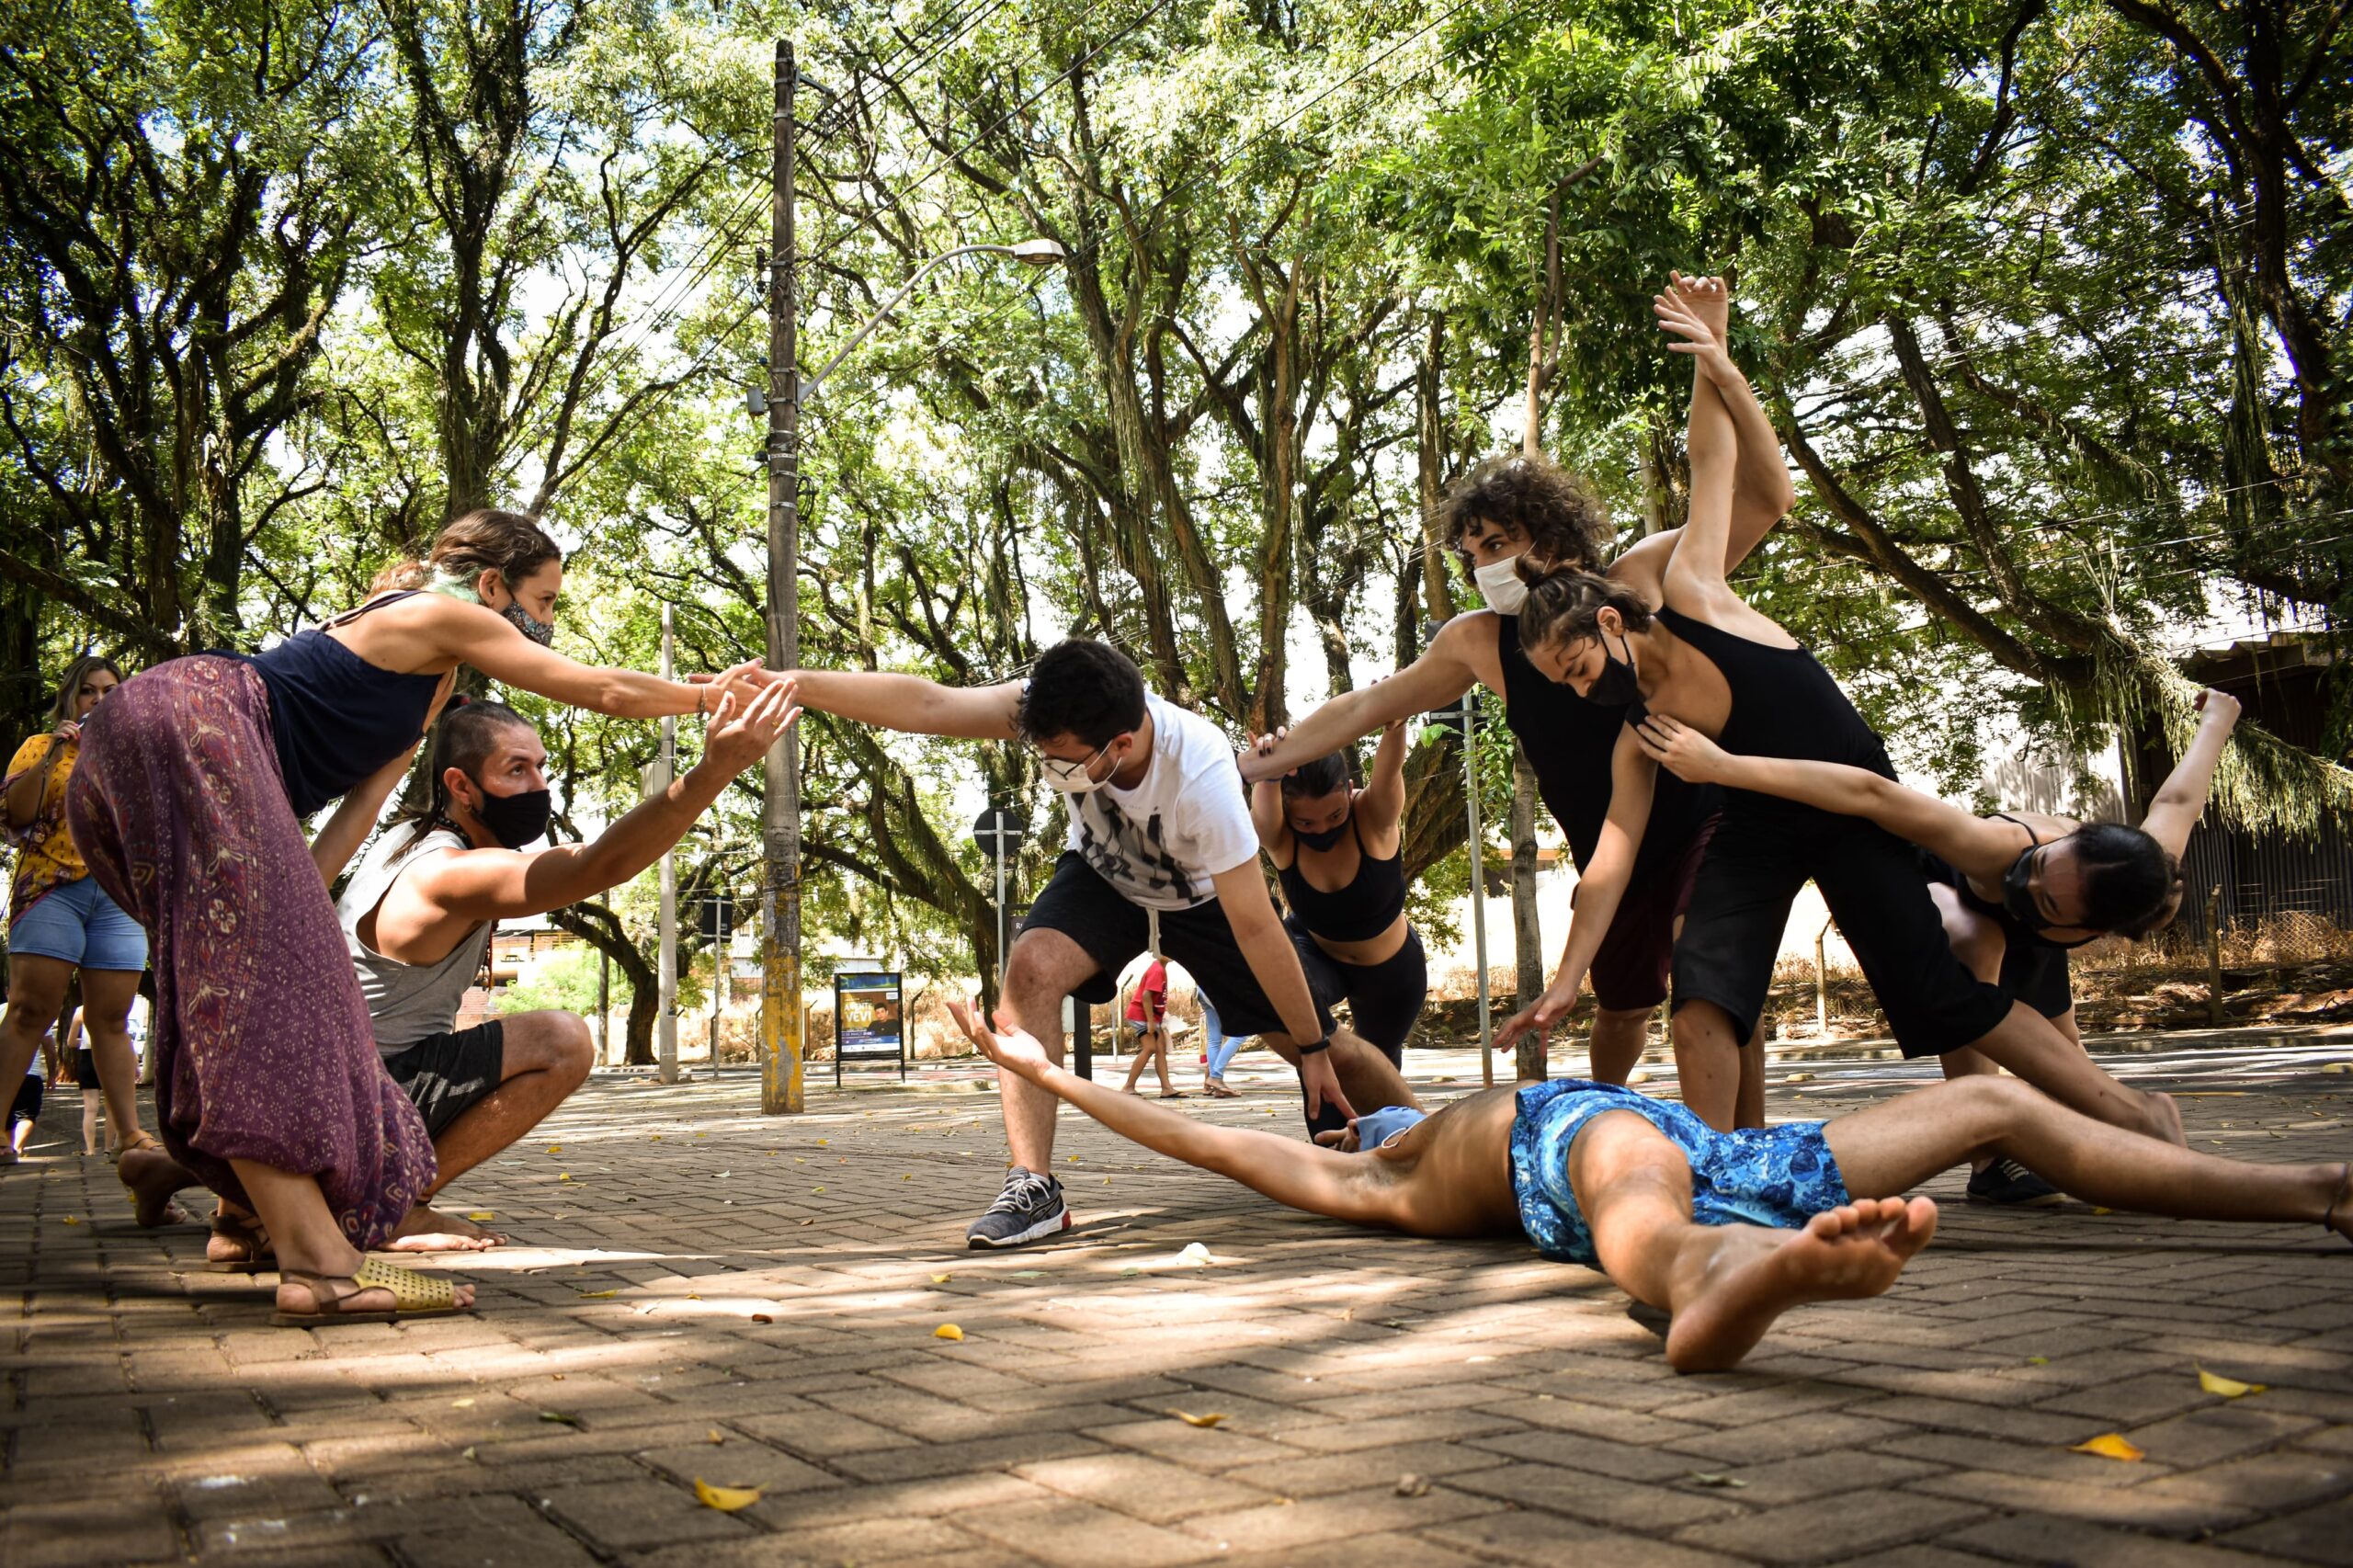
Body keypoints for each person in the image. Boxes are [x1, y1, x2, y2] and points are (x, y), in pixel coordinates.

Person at [1504, 289, 2182, 1148]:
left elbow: (1715, 469)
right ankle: (1716, 1169)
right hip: (1754, 823)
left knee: (1940, 991)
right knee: (1703, 993)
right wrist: (1569, 981)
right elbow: (1611, 859)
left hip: (1850, 806)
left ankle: (2133, 1114)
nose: (1577, 692)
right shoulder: (1643, 734)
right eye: (1559, 685)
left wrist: (1713, 356)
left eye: (1577, 670)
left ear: (1609, 623)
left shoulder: (1697, 598)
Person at [66, 507, 773, 1324]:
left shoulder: (420, 688)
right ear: (489, 586)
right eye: (542, 605)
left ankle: (261, 1222)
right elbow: (603, 690)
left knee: (247, 978)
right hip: (193, 718)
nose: (543, 630)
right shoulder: (440, 615)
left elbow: (359, 807)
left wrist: (291, 905)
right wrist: (708, 701)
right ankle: (322, 1264)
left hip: (133, 751)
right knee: (268, 1001)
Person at [948, 1000, 2351, 1373]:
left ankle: (2309, 1187)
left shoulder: (1395, 1133)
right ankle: (1713, 1283)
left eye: (1352, 1110)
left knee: (1993, 1095)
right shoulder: (1377, 1176)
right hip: (1591, 1153)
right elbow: (1207, 1145)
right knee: (1642, 1187)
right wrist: (1045, 1076)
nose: (1340, 1123)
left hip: (1724, 1151)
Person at [1244, 275, 1792, 1098]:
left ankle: (1738, 1152)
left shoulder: (1636, 579)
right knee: (1621, 1009)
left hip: (1703, 814)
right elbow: (1363, 708)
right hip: (1608, 846)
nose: (1485, 565)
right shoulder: (1476, 642)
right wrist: (1252, 766)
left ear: (1550, 533)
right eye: (1470, 554)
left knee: (1711, 978)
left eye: (1498, 542)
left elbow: (1758, 498)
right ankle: (1608, 1110)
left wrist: (1712, 359)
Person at [780, 638, 1416, 1248]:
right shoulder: (1058, 704)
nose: (1051, 768)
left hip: (1201, 900)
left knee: (1333, 1051)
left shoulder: (1201, 772)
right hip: (1104, 878)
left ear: (1122, 743)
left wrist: (1307, 1044)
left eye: (1064, 759)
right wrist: (797, 685)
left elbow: (1254, 924)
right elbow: (929, 705)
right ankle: (1033, 1187)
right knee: (1029, 969)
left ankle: (1433, 1139)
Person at [1633, 689, 2244, 1202]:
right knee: (1971, 947)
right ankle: (1987, 1152)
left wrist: (2219, 719)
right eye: (2041, 864)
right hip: (1946, 888)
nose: (2023, 883)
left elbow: (2179, 802)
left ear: (2094, 931)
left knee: (2065, 1057)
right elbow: (1872, 794)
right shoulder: (1998, 851)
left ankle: (2124, 1137)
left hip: (2034, 939)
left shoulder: (2139, 878)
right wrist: (1721, 765)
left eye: (2045, 897)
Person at [307, 688, 797, 1253]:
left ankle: (239, 1194)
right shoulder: (444, 872)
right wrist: (715, 769)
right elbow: (599, 865)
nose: (538, 786)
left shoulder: (402, 839)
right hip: (355, 1100)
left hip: (331, 1091)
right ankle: (393, 1206)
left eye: (540, 767)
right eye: (515, 770)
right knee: (562, 1039)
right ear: (461, 786)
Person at [1, 655, 185, 1219]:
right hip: (51, 886)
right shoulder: (40, 746)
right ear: (71, 700)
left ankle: (130, 1138)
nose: (99, 701)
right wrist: (57, 752)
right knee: (32, 1009)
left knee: (111, 1016)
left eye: (110, 691)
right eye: (88, 692)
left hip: (118, 894)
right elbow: (16, 810)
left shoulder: (139, 758)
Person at [1249, 722, 1427, 1065]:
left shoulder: (1373, 816)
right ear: (1288, 813)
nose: (1322, 829)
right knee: (1297, 1027)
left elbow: (1389, 772)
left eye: (1334, 815)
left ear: (1349, 790)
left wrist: (1396, 723)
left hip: (1390, 972)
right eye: (1306, 824)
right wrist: (1268, 767)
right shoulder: (1281, 836)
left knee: (1379, 1067)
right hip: (1315, 952)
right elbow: (1264, 806)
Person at [1119, 954, 1180, 1097]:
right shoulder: (1157, 970)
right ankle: (1128, 1086)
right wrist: (1151, 1021)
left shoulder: (1161, 968)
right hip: (1141, 1015)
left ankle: (1166, 1088)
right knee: (1150, 1047)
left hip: (1151, 1016)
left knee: (1160, 1049)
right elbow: (1146, 996)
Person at [4, 1032, 45, 1165]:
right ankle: (16, 1148)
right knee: (26, 1116)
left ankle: (8, 1148)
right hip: (31, 1075)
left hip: (6, 1074)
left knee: (7, 1114)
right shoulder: (39, 1015)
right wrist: (52, 1074)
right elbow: (50, 1047)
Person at [1202, 996, 1240, 1096]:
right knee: (1242, 1032)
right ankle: (1215, 1077)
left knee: (1214, 1039)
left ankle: (1218, 1087)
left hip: (1202, 990)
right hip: (1218, 991)